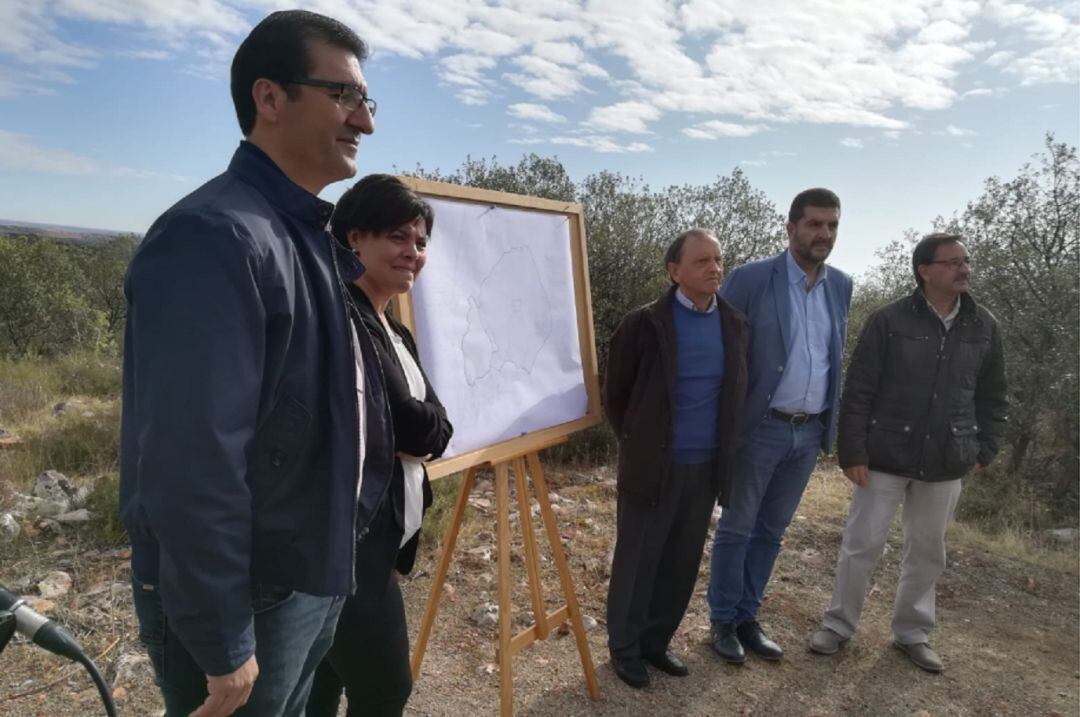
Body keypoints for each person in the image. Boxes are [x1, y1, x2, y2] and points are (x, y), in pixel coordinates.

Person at [119, 11, 391, 717]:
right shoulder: (214, 237)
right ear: (270, 99)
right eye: (344, 97)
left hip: (305, 575)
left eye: (367, 101)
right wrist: (220, 635)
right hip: (250, 594)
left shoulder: (298, 231)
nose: (364, 121)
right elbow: (190, 455)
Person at [808, 233, 1007, 672]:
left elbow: (993, 396)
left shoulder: (983, 325)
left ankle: (913, 633)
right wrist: (852, 451)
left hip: (946, 460)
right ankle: (838, 625)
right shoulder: (889, 320)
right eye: (953, 262)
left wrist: (984, 447)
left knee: (928, 551)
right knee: (862, 545)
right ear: (925, 271)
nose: (964, 269)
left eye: (966, 260)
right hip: (884, 455)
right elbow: (859, 389)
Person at [306, 175, 453, 716]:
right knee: (386, 689)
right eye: (397, 238)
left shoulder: (394, 329)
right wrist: (415, 431)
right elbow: (418, 428)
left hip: (377, 542)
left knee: (322, 677)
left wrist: (416, 430)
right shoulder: (344, 317)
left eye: (420, 243)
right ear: (354, 239)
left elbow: (433, 430)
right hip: (347, 547)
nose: (412, 253)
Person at [706, 188, 853, 664]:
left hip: (808, 433)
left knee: (771, 531)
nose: (823, 234)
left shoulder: (841, 285)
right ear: (790, 229)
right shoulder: (752, 278)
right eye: (813, 224)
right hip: (760, 427)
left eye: (831, 225)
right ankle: (723, 620)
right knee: (737, 528)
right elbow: (719, 349)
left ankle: (748, 615)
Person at [604, 229, 749, 688]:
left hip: (706, 468)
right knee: (638, 559)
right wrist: (640, 442)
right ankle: (624, 650)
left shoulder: (734, 323)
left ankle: (655, 643)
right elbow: (616, 395)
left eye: (718, 260)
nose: (714, 268)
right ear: (674, 271)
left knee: (682, 560)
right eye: (703, 261)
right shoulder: (643, 323)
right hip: (654, 466)